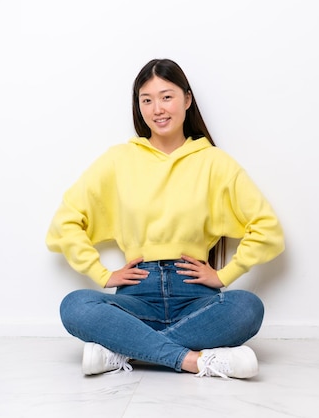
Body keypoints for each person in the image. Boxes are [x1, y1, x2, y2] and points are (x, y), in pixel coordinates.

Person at [46, 58, 285, 379]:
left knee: (247, 307)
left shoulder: (214, 162)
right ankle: (196, 361)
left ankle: (123, 351)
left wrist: (226, 274)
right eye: (147, 100)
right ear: (139, 107)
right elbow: (66, 220)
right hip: (136, 296)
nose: (157, 108)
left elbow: (267, 228)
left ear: (187, 100)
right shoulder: (118, 160)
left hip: (196, 296)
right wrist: (101, 273)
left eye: (166, 96)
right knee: (75, 305)